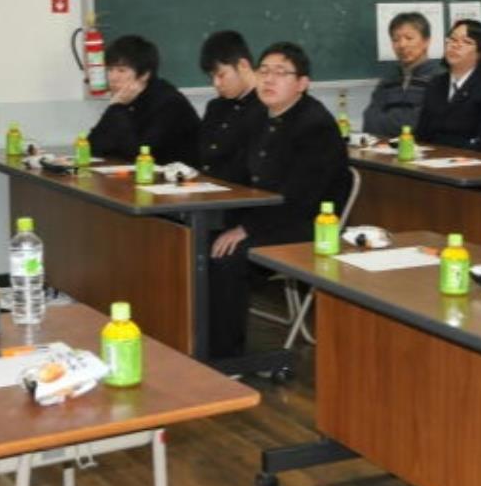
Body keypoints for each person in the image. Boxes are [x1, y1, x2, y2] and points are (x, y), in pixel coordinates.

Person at [207, 42, 350, 358]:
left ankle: (225, 358)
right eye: (264, 71)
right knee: (197, 240)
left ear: (302, 83)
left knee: (226, 257)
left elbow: (299, 198)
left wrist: (245, 228)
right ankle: (198, 342)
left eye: (281, 73)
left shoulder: (315, 125)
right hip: (265, 215)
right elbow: (236, 173)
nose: (269, 79)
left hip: (306, 224)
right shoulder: (258, 115)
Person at [87, 34, 200, 165]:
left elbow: (139, 154)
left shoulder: (169, 103)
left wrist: (117, 108)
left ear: (145, 74)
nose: (113, 77)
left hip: (181, 176)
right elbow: (90, 148)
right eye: (110, 69)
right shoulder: (124, 99)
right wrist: (114, 108)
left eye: (121, 71)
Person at [415, 18, 481, 154]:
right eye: (452, 39)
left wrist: (444, 143)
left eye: (466, 42)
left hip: (477, 161)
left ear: (480, 52)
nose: (455, 45)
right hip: (433, 160)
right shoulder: (436, 84)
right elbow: (422, 134)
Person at [196, 30, 263, 183]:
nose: (216, 84)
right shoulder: (215, 107)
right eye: (212, 77)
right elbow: (203, 158)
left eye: (221, 75)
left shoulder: (267, 107)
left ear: (243, 65)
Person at [362, 11, 439, 136]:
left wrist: (388, 121)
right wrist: (404, 122)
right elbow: (369, 121)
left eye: (409, 38)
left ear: (426, 41)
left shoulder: (439, 79)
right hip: (388, 147)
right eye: (395, 40)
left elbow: (422, 123)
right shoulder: (387, 81)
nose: (402, 45)